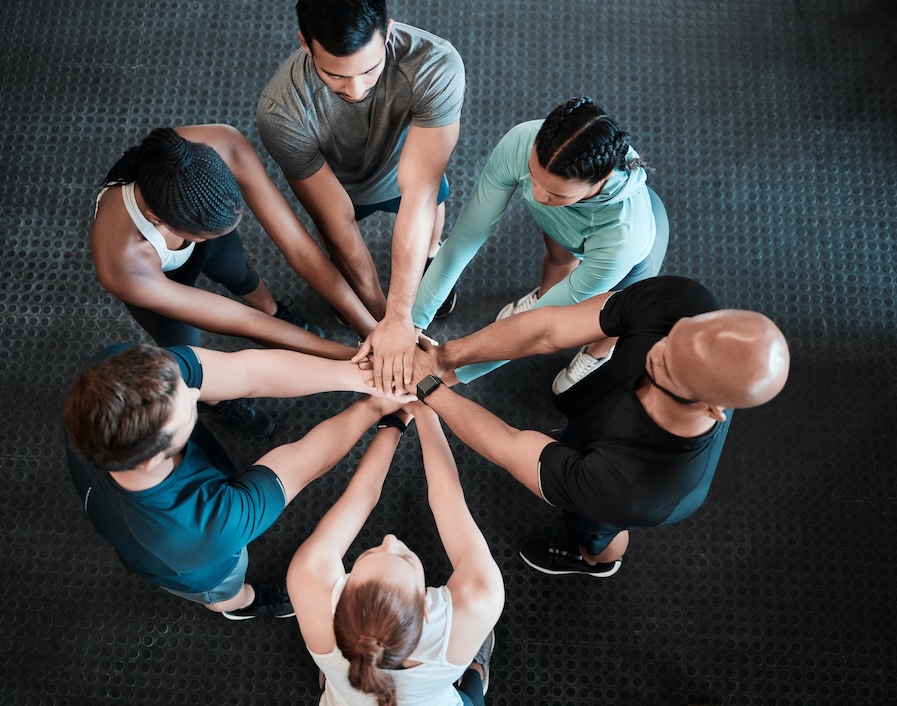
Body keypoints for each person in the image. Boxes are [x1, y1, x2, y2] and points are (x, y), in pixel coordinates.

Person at [409, 276, 790, 577]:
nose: (657, 351)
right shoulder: (681, 302)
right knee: (578, 441)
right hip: (601, 428)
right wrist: (444, 357)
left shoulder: (631, 488)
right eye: (672, 337)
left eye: (669, 368)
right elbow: (549, 330)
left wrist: (430, 390)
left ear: (713, 408)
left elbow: (512, 446)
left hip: (623, 494)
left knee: (595, 533)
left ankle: (595, 562)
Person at [64, 342, 402, 619]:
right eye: (187, 410)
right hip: (192, 564)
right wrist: (374, 407)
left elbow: (247, 371)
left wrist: (364, 377)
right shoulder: (207, 527)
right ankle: (245, 605)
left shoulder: (116, 377)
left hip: (122, 501)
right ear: (152, 458)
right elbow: (303, 462)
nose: (197, 393)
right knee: (224, 589)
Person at [90, 124, 364, 436]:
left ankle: (273, 309)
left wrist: (373, 330)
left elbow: (300, 249)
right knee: (188, 349)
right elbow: (245, 323)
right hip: (154, 279)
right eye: (207, 234)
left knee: (241, 272)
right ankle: (217, 403)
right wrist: (355, 358)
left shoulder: (221, 145)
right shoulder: (122, 262)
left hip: (200, 228)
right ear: (157, 219)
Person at [257, 0, 465, 393]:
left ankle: (429, 257)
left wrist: (401, 318)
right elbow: (336, 220)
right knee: (337, 243)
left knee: (432, 207)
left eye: (370, 69)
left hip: (411, 161)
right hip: (340, 185)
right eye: (334, 75)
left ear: (387, 31)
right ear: (305, 42)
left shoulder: (436, 64)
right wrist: (379, 320)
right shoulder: (281, 111)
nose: (356, 88)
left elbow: (419, 194)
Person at [413, 97, 669, 390]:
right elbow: (462, 243)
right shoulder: (522, 141)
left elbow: (540, 329)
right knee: (559, 260)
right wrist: (412, 324)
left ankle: (597, 354)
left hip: (627, 257)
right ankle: (546, 293)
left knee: (613, 316)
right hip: (570, 227)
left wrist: (456, 373)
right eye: (533, 177)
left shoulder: (623, 239)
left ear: (602, 179)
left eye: (555, 194)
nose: (536, 196)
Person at [289, 403, 504, 705]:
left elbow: (362, 494)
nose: (390, 539)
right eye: (403, 558)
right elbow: (446, 497)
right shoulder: (478, 598)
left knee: (333, 671)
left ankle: (334, 674)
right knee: (470, 668)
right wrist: (426, 411)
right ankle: (474, 671)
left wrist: (396, 420)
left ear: (346, 592)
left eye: (371, 552)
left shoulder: (310, 581)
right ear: (427, 610)